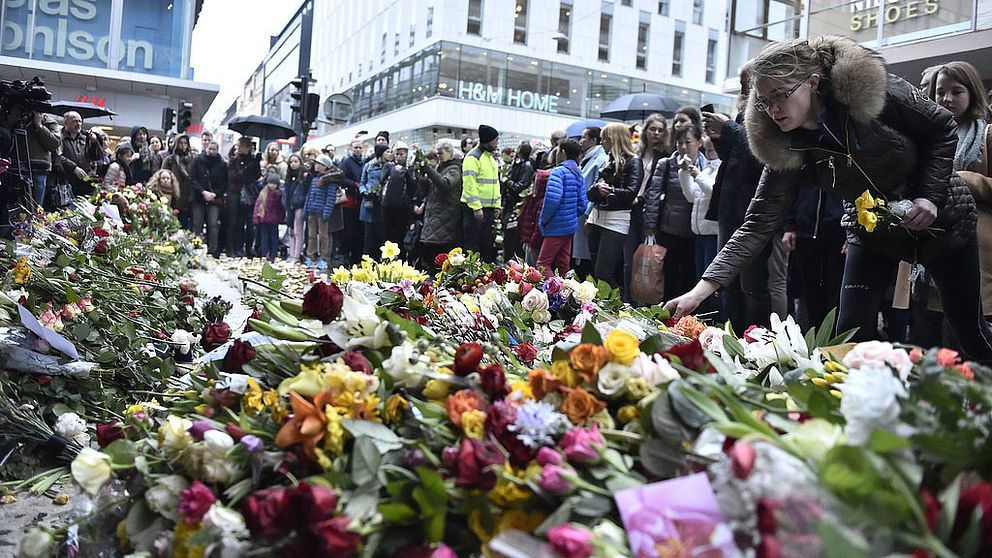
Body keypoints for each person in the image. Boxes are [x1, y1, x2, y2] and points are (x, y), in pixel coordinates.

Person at [666, 35, 992, 363]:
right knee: (850, 330)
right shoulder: (784, 145)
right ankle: (860, 405)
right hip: (872, 229)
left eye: (780, 95)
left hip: (946, 219)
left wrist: (929, 198)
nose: (773, 109)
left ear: (813, 82)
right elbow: (757, 224)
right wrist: (701, 290)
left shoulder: (875, 90)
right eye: (764, 101)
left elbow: (942, 127)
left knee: (968, 329)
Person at [703, 67, 779, 329]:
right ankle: (732, 333)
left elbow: (759, 150)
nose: (744, 87)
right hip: (730, 205)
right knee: (728, 279)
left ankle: (757, 337)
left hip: (753, 209)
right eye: (742, 82)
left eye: (748, 81)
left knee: (753, 284)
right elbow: (735, 157)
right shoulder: (741, 113)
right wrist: (720, 137)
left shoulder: (770, 111)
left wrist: (729, 128)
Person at [930, 60, 992, 320]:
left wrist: (963, 180)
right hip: (928, 252)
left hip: (976, 253)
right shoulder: (926, 137)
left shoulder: (987, 135)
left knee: (969, 344)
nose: (947, 98)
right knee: (930, 349)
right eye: (940, 92)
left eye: (957, 91)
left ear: (972, 93)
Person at [586, 123, 643, 288]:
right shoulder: (607, 161)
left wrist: (610, 190)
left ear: (613, 140)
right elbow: (590, 193)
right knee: (597, 274)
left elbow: (631, 193)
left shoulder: (634, 162)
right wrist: (598, 188)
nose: (602, 142)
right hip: (596, 218)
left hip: (616, 221)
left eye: (605, 139)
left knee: (603, 274)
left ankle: (617, 309)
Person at [625, 114, 671, 300]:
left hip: (650, 210)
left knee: (648, 259)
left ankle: (644, 300)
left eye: (660, 130)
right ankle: (627, 299)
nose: (656, 133)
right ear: (646, 131)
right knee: (630, 258)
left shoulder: (666, 155)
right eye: (652, 129)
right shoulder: (637, 152)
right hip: (632, 208)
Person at [678, 127, 722, 317]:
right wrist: (684, 173)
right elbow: (691, 196)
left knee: (711, 285)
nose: (709, 153)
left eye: (712, 150)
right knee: (700, 282)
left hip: (713, 234)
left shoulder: (722, 167)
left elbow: (714, 193)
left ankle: (715, 320)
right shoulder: (708, 167)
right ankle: (701, 321)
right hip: (700, 234)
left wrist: (696, 173)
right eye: (708, 151)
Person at [538, 139, 587, 277]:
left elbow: (552, 200)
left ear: (563, 152)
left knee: (542, 264)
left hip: (555, 225)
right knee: (563, 264)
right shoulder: (578, 173)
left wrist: (544, 220)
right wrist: (570, 215)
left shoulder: (558, 172)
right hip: (570, 226)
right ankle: (567, 295)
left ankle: (553, 293)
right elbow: (583, 204)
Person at [419, 140, 463, 269]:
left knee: (440, 254)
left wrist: (429, 169)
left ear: (449, 152)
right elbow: (431, 189)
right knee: (430, 252)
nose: (438, 157)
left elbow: (445, 184)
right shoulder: (441, 167)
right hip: (435, 216)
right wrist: (423, 179)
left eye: (440, 153)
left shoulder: (454, 168)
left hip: (446, 216)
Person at [461, 124, 502, 262]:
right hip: (474, 211)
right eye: (495, 140)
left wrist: (497, 205)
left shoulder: (490, 158)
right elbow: (469, 184)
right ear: (487, 140)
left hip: (488, 210)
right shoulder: (473, 157)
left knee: (487, 245)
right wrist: (476, 207)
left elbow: (495, 183)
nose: (497, 143)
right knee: (472, 246)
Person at [574, 126, 610, 277]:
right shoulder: (588, 158)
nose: (581, 141)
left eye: (584, 137)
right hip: (581, 211)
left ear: (594, 140)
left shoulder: (600, 159)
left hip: (587, 213)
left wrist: (588, 213)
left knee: (586, 259)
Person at [304, 154, 344, 270]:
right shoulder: (314, 180)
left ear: (325, 166)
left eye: (318, 164)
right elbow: (309, 195)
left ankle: (324, 258)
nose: (315, 166)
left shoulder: (329, 182)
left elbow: (330, 199)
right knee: (311, 236)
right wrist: (306, 208)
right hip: (312, 212)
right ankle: (310, 256)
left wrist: (326, 212)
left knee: (323, 236)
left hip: (322, 213)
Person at [189, 141, 228, 256]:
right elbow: (192, 178)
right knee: (197, 224)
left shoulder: (222, 164)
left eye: (214, 149)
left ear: (217, 150)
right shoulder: (197, 161)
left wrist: (215, 194)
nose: (211, 151)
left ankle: (213, 250)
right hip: (199, 196)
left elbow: (225, 183)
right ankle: (195, 248)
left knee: (213, 224)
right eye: (209, 149)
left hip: (214, 198)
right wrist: (202, 192)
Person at [381, 141, 418, 255]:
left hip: (403, 207)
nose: (398, 157)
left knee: (401, 234)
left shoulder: (410, 169)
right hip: (388, 206)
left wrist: (405, 172)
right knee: (388, 235)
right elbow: (382, 181)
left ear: (406, 155)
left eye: (401, 154)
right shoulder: (388, 166)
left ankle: (401, 259)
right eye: (396, 154)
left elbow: (413, 186)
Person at [227, 137, 262, 257]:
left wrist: (256, 163)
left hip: (249, 193)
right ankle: (234, 248)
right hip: (236, 193)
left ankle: (247, 247)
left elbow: (256, 176)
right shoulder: (234, 161)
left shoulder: (252, 160)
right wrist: (249, 167)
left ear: (248, 148)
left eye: (241, 146)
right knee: (236, 222)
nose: (239, 148)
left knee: (249, 223)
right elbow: (235, 177)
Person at [501, 142, 535, 261]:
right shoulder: (518, 164)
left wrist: (507, 181)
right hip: (511, 205)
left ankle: (514, 263)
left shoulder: (526, 166)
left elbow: (520, 186)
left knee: (512, 237)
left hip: (517, 207)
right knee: (509, 237)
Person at [337, 139, 366, 265]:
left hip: (360, 201)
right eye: (356, 147)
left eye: (360, 147)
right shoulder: (346, 162)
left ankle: (356, 258)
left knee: (359, 232)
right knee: (348, 231)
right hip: (349, 201)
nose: (358, 149)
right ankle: (345, 256)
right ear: (351, 148)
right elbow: (341, 178)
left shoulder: (364, 163)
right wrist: (354, 184)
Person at [360, 144, 391, 257]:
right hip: (369, 202)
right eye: (387, 152)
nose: (390, 154)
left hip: (383, 203)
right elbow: (362, 182)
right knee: (368, 235)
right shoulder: (369, 166)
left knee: (381, 235)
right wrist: (365, 192)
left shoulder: (390, 166)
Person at [24, 111, 61, 206]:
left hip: (39, 169)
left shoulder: (49, 122)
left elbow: (54, 144)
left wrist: (39, 125)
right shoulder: (22, 118)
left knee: (36, 207)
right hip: (19, 166)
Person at [162, 134, 194, 228]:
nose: (183, 145)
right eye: (180, 143)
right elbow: (163, 176)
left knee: (185, 225)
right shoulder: (170, 160)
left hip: (187, 197)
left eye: (185, 143)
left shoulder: (192, 160)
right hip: (173, 197)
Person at [253, 173, 284, 262]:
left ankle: (273, 254)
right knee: (264, 237)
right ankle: (264, 254)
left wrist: (281, 217)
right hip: (263, 218)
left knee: (274, 238)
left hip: (274, 219)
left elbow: (281, 208)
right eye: (270, 183)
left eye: (274, 184)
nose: (272, 185)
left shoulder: (279, 194)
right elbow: (257, 206)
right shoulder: (263, 193)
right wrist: (256, 218)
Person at [284, 153, 308, 261]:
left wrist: (300, 201)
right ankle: (291, 252)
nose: (293, 164)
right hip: (289, 206)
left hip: (299, 206)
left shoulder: (303, 176)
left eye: (295, 162)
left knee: (298, 231)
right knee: (290, 230)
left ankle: (296, 254)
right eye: (291, 162)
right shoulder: (289, 177)